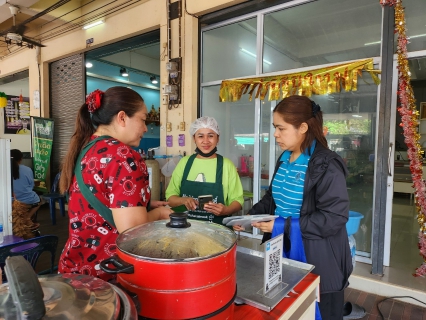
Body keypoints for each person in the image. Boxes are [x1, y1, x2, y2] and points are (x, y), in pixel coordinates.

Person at [234, 95, 352, 320]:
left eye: (281, 128)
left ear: (304, 127)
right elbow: (272, 198)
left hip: (318, 256)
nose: (275, 134)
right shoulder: (285, 157)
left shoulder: (327, 164)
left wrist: (283, 225)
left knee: (318, 310)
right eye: (275, 128)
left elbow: (334, 217)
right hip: (283, 250)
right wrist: (249, 217)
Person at [58, 87, 172, 280]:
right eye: (143, 120)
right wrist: (160, 214)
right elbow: (132, 230)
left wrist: (142, 205)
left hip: (76, 268)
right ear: (122, 117)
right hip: (108, 275)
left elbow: (100, 197)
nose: (146, 128)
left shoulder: (87, 148)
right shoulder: (123, 156)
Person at [166, 116, 244, 225]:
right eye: (200, 136)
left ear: (218, 138)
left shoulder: (227, 165)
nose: (206, 141)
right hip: (185, 230)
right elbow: (170, 198)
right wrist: (183, 200)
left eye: (211, 136)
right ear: (194, 139)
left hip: (217, 232)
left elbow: (238, 201)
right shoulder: (184, 163)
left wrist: (226, 210)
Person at [10, 149, 43, 237]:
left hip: (12, 202)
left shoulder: (4, 170)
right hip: (29, 200)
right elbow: (31, 185)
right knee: (39, 201)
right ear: (21, 159)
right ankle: (27, 218)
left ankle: (23, 221)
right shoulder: (27, 169)